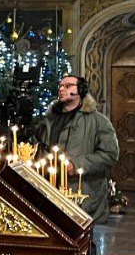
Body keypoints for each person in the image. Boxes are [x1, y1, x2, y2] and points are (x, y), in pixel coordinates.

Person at [38, 75, 119, 224]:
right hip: (50, 190)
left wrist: (76, 165)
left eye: (68, 86)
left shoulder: (98, 121)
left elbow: (110, 154)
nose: (61, 89)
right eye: (60, 86)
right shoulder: (49, 119)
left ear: (80, 91)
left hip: (83, 194)